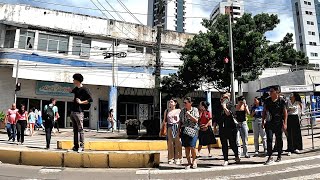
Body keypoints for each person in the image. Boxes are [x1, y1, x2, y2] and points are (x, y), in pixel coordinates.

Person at [262, 86, 287, 165]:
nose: (270, 92)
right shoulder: (267, 100)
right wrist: (263, 121)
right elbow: (264, 111)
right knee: (269, 139)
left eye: (272, 91)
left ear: (277, 92)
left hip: (278, 122)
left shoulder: (282, 101)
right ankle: (270, 156)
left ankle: (279, 155)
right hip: (269, 122)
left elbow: (285, 112)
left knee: (279, 139)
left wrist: (285, 123)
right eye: (270, 91)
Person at [215, 92, 240, 166]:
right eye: (223, 97)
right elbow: (216, 117)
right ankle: (226, 159)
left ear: (229, 98)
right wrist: (215, 126)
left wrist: (224, 107)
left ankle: (236, 155)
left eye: (226, 97)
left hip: (231, 127)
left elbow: (229, 114)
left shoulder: (231, 105)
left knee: (232, 143)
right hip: (222, 128)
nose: (224, 99)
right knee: (224, 144)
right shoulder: (218, 106)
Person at [69, 73, 93, 153]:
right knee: (75, 130)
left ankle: (82, 147)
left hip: (79, 112)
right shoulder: (76, 89)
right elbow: (72, 92)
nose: (73, 81)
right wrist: (70, 91)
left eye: (74, 79)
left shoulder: (85, 89)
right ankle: (75, 146)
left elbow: (90, 100)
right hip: (73, 111)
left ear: (77, 80)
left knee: (80, 130)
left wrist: (81, 102)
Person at [179, 97, 200, 169]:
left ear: (190, 103)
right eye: (184, 103)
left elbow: (196, 120)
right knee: (186, 147)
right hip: (184, 130)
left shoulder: (195, 110)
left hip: (193, 129)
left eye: (186, 103)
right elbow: (180, 122)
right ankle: (189, 162)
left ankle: (194, 161)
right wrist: (179, 130)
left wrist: (189, 115)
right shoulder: (182, 111)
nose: (184, 104)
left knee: (192, 146)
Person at [161, 98, 182, 165]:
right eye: (169, 102)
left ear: (175, 103)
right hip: (169, 127)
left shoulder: (179, 111)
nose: (170, 103)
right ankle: (170, 158)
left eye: (171, 102)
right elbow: (164, 120)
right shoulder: (167, 111)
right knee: (170, 144)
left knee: (177, 143)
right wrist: (162, 128)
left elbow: (181, 120)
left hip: (177, 127)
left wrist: (180, 128)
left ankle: (178, 158)